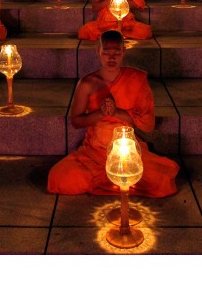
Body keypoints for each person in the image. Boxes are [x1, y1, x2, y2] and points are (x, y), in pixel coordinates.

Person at [47, 30, 179, 197]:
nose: (111, 58)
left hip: (127, 149)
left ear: (124, 51)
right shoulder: (87, 83)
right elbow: (76, 121)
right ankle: (119, 182)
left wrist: (117, 112)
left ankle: (113, 180)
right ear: (98, 51)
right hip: (95, 150)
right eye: (106, 53)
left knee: (162, 181)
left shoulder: (136, 79)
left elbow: (148, 126)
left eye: (116, 53)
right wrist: (100, 115)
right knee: (60, 178)